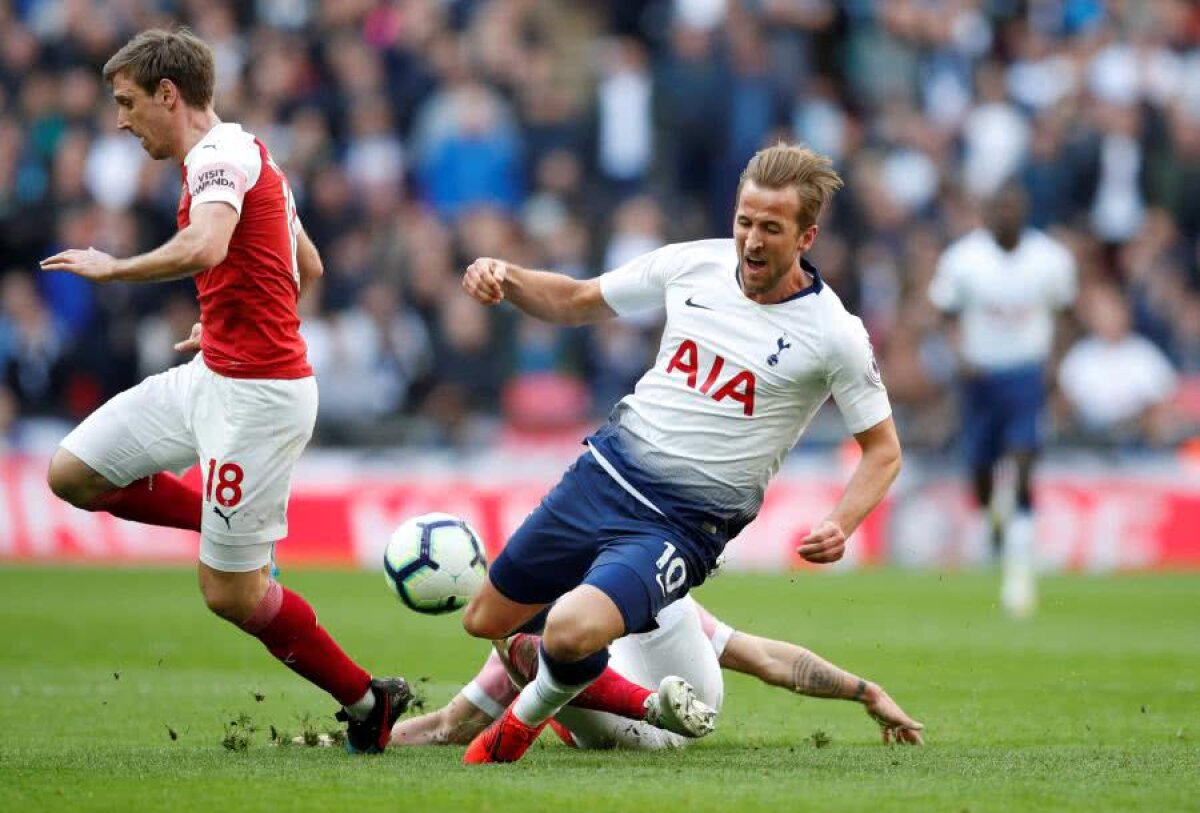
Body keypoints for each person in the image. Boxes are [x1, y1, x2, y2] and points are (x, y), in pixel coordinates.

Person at [457, 143, 902, 763]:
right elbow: (577, 299)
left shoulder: (834, 335)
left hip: (681, 525)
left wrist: (842, 522)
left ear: (806, 236)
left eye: (771, 228)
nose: (751, 240)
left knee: (569, 630)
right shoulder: (693, 264)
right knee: (485, 620)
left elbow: (882, 451)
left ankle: (519, 725)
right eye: (744, 221)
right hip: (603, 474)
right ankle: (581, 680)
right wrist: (508, 278)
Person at [38, 29, 408, 753]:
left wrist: (112, 268)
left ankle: (369, 700)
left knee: (229, 594)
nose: (121, 119)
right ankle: (224, 529)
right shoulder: (252, 154)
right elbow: (309, 264)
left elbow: (207, 246)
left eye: (127, 102)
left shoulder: (219, 157)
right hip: (214, 374)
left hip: (261, 400)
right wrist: (234, 318)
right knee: (71, 473)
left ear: (168, 95)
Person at [391, 596, 924, 750]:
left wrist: (865, 690)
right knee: (529, 645)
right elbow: (443, 727)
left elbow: (765, 659)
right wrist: (365, 728)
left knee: (664, 597)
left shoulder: (634, 588)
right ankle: (652, 705)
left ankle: (658, 705)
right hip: (649, 720)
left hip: (682, 693)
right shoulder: (523, 636)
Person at [928, 183, 1076, 618]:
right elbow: (943, 317)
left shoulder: (1050, 259)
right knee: (980, 470)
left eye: (1013, 207)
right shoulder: (963, 260)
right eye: (999, 207)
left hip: (1026, 375)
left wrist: (1055, 364)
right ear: (987, 211)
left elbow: (1066, 317)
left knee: (1024, 456)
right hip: (980, 378)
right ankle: (995, 523)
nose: (1006, 215)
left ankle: (1019, 571)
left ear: (1025, 210)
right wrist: (959, 357)